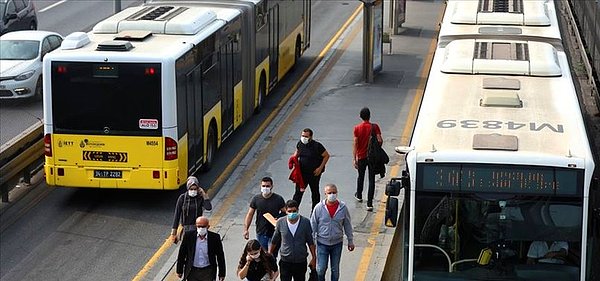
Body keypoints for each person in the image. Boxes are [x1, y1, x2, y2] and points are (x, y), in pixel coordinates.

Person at [310, 184, 354, 281]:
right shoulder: (319, 208)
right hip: (322, 244)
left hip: (337, 244)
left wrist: (350, 241)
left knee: (335, 269)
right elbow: (313, 224)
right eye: (329, 193)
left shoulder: (343, 208)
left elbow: (347, 225)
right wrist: (312, 242)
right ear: (325, 194)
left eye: (334, 192)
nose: (332, 195)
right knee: (321, 269)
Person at [270, 200, 317, 281]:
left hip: (300, 261)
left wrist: (313, 257)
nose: (292, 213)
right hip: (285, 261)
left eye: (294, 211)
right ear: (286, 211)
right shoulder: (280, 222)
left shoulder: (305, 222)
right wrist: (270, 254)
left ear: (298, 210)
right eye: (289, 211)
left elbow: (310, 241)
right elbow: (275, 240)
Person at [290, 128, 330, 210]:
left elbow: (326, 156)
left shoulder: (317, 146)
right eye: (302, 136)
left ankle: (315, 212)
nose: (304, 138)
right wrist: (294, 158)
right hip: (302, 174)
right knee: (298, 193)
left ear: (311, 137)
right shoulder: (300, 143)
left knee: (315, 192)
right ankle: (293, 210)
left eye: (306, 136)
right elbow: (297, 152)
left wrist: (320, 168)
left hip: (314, 174)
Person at [243, 176, 286, 251]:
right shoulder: (256, 199)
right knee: (263, 255)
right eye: (263, 186)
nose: (265, 188)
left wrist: (278, 218)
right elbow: (250, 214)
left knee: (272, 256)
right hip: (261, 232)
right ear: (261, 186)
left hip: (274, 233)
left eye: (267, 186)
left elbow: (285, 212)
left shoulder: (278, 199)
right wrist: (246, 229)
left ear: (272, 186)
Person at [176, 216, 226, 281]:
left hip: (208, 271)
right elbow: (182, 254)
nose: (201, 228)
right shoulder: (189, 236)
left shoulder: (214, 238)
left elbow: (220, 256)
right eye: (199, 226)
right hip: (192, 270)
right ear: (196, 226)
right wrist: (179, 270)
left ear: (208, 226)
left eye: (203, 226)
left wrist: (222, 273)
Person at [353, 107, 382, 211]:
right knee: (371, 179)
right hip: (372, 158)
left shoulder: (357, 128)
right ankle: (369, 203)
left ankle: (359, 195)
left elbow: (356, 144)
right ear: (369, 116)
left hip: (361, 156)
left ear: (361, 116)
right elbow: (379, 140)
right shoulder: (375, 127)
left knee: (360, 176)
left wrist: (355, 158)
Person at [171, 176, 212, 244]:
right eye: (191, 189)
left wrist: (204, 194)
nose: (193, 191)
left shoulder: (200, 198)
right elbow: (177, 215)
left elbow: (208, 207)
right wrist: (173, 233)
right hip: (186, 229)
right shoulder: (182, 198)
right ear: (188, 188)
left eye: (195, 189)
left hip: (197, 228)